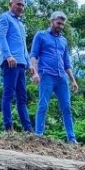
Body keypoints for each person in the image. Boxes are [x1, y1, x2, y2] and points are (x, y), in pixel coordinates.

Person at [29, 11, 79, 143]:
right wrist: (34, 72)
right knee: (43, 105)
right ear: (51, 21)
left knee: (66, 107)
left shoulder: (63, 41)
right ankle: (38, 135)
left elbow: (67, 63)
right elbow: (33, 55)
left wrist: (73, 80)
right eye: (58, 23)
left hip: (61, 77)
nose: (60, 26)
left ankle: (72, 138)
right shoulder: (41, 35)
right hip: (46, 75)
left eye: (62, 24)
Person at [0, 0, 33, 132]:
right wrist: (8, 55)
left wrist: (30, 65)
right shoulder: (4, 18)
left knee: (22, 98)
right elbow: (1, 38)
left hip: (22, 64)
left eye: (23, 5)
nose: (21, 7)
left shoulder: (21, 24)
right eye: (18, 4)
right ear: (10, 4)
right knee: (8, 95)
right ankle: (8, 128)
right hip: (10, 63)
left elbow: (23, 46)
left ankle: (28, 129)